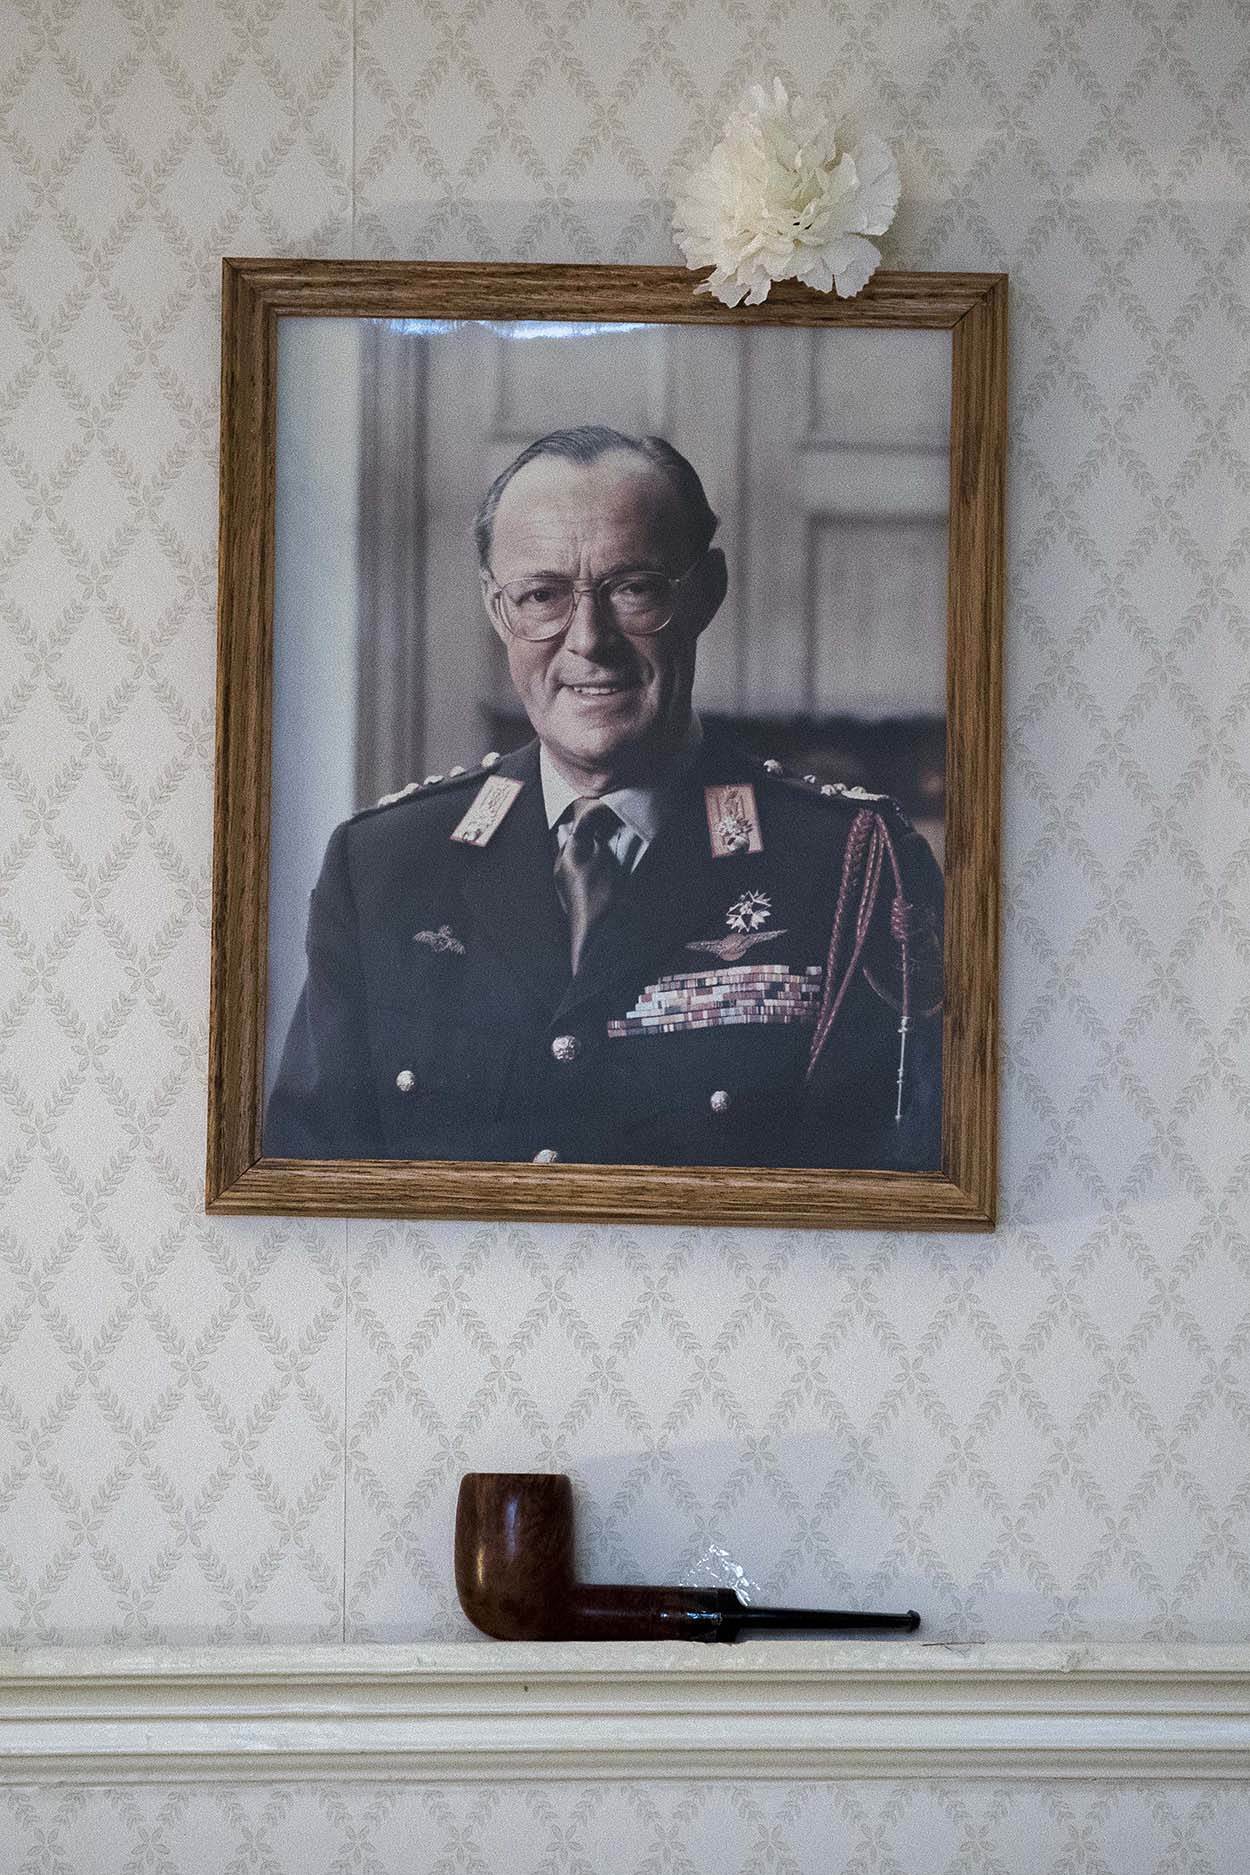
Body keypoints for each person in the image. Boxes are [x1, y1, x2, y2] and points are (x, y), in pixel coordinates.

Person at [264, 426, 943, 1169]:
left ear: (706, 593)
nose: (588, 639)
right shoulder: (383, 869)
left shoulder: (851, 868)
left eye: (633, 589)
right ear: (498, 609)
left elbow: (900, 1192)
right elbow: (310, 1187)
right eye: (542, 595)